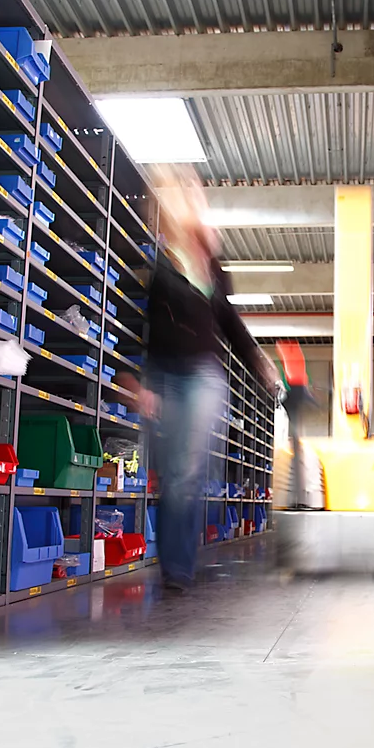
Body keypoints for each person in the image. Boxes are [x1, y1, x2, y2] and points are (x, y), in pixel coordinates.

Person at [119, 165, 277, 592]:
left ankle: (178, 569)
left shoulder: (213, 270)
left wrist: (258, 362)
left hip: (203, 375)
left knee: (186, 471)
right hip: (163, 373)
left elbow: (230, 323)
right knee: (171, 474)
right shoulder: (162, 264)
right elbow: (140, 323)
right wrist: (136, 381)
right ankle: (172, 562)